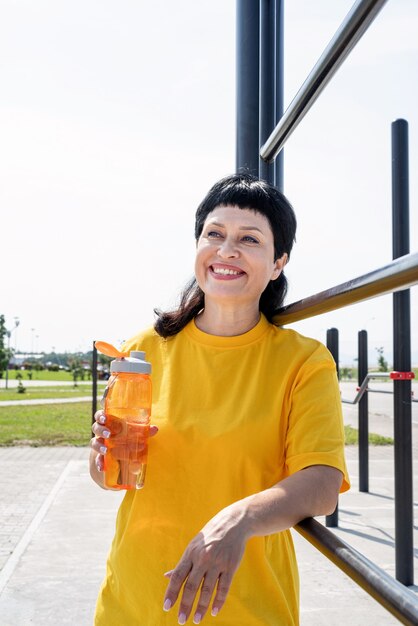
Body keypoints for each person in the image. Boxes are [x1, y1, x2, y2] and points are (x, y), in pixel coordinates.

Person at [90, 172, 350, 626]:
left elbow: (323, 482)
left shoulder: (303, 362)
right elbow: (110, 476)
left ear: (277, 263)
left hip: (245, 607)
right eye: (214, 234)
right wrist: (103, 456)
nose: (227, 250)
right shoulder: (142, 350)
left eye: (249, 239)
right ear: (198, 247)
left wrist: (240, 518)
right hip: (134, 600)